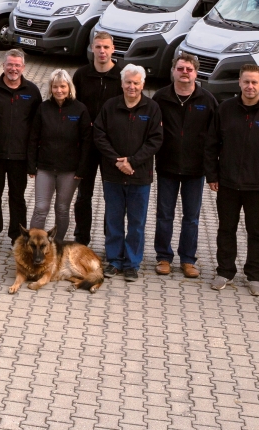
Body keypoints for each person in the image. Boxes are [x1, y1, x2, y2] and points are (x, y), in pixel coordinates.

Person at [205, 64, 259, 296]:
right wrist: (212, 175)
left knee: (256, 232)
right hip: (227, 183)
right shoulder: (225, 110)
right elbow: (211, 145)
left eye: (255, 82)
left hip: (258, 188)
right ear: (239, 83)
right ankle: (225, 272)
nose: (250, 86)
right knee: (226, 229)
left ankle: (255, 276)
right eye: (246, 82)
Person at [92, 64, 163, 281]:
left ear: (143, 84)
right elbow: (99, 135)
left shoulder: (152, 108)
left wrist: (132, 161)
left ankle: (132, 263)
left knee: (136, 222)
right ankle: (114, 261)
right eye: (128, 82)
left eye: (136, 83)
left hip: (139, 176)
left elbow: (155, 140)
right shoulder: (110, 106)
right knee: (113, 220)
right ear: (121, 83)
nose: (131, 87)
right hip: (113, 175)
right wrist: (117, 161)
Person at [153, 53, 217, 278]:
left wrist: (212, 170)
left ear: (196, 73)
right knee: (164, 215)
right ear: (173, 71)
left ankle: (188, 260)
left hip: (195, 169)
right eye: (180, 69)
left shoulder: (207, 100)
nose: (184, 73)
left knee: (191, 217)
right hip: (167, 167)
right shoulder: (160, 98)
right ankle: (163, 257)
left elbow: (214, 137)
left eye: (189, 69)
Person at [0, 49, 42, 256]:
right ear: (3, 65)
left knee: (18, 198)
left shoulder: (32, 92)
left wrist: (33, 159)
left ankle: (17, 237)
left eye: (17, 65)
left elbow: (37, 127)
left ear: (23, 67)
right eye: (10, 65)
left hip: (20, 156)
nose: (13, 69)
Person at [71, 32, 125, 246]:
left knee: (112, 197)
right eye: (98, 47)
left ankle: (110, 241)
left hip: (112, 146)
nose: (102, 51)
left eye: (106, 47)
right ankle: (81, 238)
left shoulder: (121, 76)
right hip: (85, 146)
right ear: (92, 48)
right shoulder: (81, 75)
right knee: (84, 196)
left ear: (113, 49)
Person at [26, 68, 88, 244]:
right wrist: (31, 165)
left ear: (69, 87)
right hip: (45, 168)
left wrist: (82, 168)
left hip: (70, 170)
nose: (59, 90)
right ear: (50, 88)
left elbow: (86, 142)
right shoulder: (43, 108)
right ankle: (33, 244)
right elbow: (33, 138)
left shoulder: (80, 109)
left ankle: (57, 244)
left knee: (61, 208)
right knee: (40, 208)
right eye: (55, 87)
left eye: (62, 86)